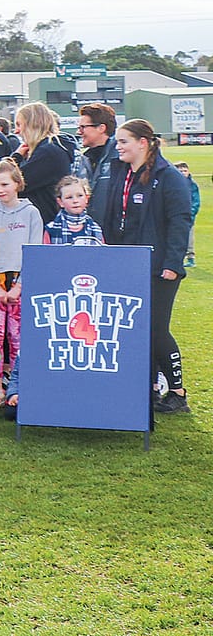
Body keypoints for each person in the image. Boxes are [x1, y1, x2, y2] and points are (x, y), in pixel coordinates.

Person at [96, 118, 193, 413]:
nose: (118, 147)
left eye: (124, 141)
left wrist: (172, 263)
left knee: (156, 328)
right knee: (135, 328)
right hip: (127, 264)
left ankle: (177, 392)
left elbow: (180, 220)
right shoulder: (121, 172)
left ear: (143, 143)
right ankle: (148, 387)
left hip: (159, 267)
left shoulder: (168, 176)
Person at [0, 158, 42, 407]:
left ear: (17, 183)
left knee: (18, 337)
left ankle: (18, 387)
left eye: (4, 184)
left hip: (21, 283)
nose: (0, 190)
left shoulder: (30, 212)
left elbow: (34, 249)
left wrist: (19, 286)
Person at [13, 102, 73, 222]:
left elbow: (12, 182)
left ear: (32, 124)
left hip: (44, 223)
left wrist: (16, 157)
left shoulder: (48, 153)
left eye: (19, 125)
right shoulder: (49, 149)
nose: (16, 131)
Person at [45, 176, 105, 246]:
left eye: (80, 195)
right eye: (69, 197)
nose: (75, 201)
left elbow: (102, 254)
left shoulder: (95, 229)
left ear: (87, 198)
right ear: (60, 202)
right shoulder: (51, 229)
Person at [73, 103, 120, 191]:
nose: (78, 132)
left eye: (82, 127)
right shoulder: (83, 160)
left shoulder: (120, 158)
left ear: (101, 128)